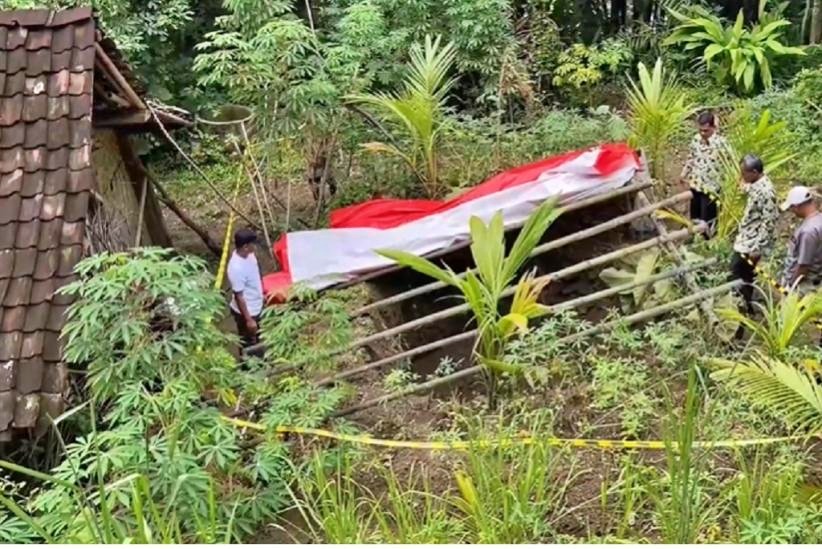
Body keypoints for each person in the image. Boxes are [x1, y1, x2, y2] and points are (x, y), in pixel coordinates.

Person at [729, 154, 779, 315]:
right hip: (746, 236)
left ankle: (741, 305)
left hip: (752, 242)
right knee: (745, 274)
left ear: (755, 172)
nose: (742, 176)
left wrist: (757, 248)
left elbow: (769, 222)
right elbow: (751, 189)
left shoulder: (767, 192)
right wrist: (743, 185)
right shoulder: (756, 183)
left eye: (744, 173)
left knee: (736, 271)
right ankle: (747, 304)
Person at [680, 110, 728, 231]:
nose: (702, 133)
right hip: (696, 183)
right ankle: (695, 237)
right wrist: (684, 173)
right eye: (700, 130)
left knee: (708, 217)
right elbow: (691, 157)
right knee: (695, 214)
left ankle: (708, 240)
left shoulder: (721, 144)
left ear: (713, 127)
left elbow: (730, 164)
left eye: (706, 131)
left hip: (711, 187)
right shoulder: (696, 140)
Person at [780, 185, 822, 295]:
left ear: (797, 206)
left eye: (791, 208)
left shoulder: (808, 231)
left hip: (805, 286)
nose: (792, 211)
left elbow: (803, 265)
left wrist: (791, 285)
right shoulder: (819, 219)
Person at [227, 228, 264, 351]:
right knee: (248, 342)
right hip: (247, 311)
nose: (256, 247)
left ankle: (260, 360)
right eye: (253, 244)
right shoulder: (236, 268)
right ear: (245, 247)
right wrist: (249, 319)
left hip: (256, 303)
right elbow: (239, 296)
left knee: (257, 336)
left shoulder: (249, 255)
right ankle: (248, 366)